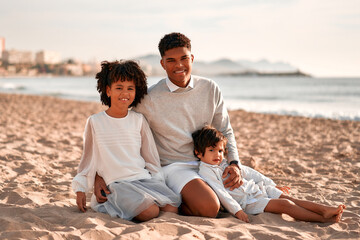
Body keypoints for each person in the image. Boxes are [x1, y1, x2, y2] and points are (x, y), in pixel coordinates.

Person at [93, 32, 242, 217]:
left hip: (209, 161)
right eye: (171, 60)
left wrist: (235, 163)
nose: (179, 65)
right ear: (162, 63)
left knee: (252, 192)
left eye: (184, 58)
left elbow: (225, 130)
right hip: (174, 167)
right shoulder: (148, 98)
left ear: (192, 58)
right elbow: (118, 131)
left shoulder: (210, 88)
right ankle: (183, 202)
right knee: (210, 207)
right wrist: (98, 175)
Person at [72, 60, 180, 222]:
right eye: (119, 88)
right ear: (108, 91)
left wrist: (158, 182)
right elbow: (88, 159)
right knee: (150, 212)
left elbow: (150, 157)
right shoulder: (95, 122)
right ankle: (111, 203)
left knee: (172, 207)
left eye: (130, 88)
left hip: (142, 179)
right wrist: (81, 189)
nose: (125, 93)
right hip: (117, 183)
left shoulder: (139, 120)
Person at [193, 125, 346, 223]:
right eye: (211, 150)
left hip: (258, 188)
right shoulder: (206, 171)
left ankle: (324, 209)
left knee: (289, 198)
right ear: (199, 153)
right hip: (248, 202)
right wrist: (237, 211)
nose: (218, 155)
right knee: (285, 205)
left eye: (220, 151)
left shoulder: (224, 163)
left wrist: (270, 184)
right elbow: (221, 193)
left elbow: (249, 172)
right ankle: (321, 219)